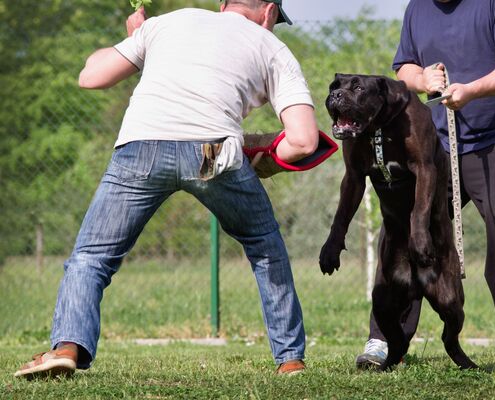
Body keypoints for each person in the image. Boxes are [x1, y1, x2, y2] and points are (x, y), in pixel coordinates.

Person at [15, 0, 319, 379]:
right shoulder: (270, 45)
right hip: (214, 152)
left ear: (223, 3)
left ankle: (66, 348)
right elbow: (304, 141)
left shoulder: (167, 24)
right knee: (264, 245)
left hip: (143, 145)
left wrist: (138, 37)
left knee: (91, 256)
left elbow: (90, 76)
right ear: (269, 12)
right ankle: (290, 360)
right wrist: (263, 155)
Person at [356, 0, 495, 369]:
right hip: (439, 143)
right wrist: (422, 80)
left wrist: (473, 90)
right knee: (405, 227)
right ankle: (383, 339)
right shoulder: (417, 8)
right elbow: (404, 67)